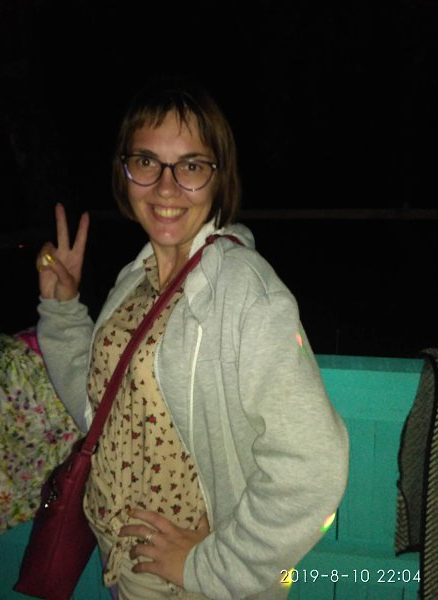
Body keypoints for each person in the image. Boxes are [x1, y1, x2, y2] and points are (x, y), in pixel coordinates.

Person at [36, 79, 349, 600]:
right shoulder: (135, 278)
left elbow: (314, 468)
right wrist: (63, 309)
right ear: (124, 171)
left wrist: (213, 567)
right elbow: (103, 410)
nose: (166, 187)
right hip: (123, 562)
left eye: (191, 166)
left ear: (218, 177)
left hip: (186, 584)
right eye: (147, 162)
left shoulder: (243, 292)